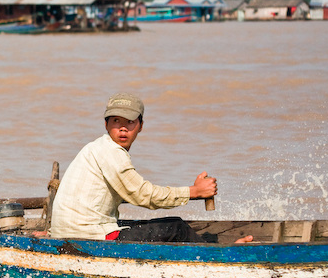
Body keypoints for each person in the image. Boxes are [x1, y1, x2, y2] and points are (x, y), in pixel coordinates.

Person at [49, 92, 253, 243]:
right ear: (106, 125)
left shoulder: (97, 147)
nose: (122, 128)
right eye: (115, 121)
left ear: (140, 126)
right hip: (88, 236)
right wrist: (194, 192)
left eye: (129, 122)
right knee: (176, 227)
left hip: (71, 232)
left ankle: (209, 247)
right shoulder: (110, 152)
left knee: (156, 228)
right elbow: (143, 195)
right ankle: (217, 258)